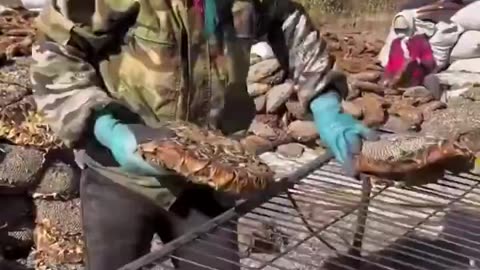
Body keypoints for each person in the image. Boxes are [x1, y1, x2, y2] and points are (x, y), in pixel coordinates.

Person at [30, 0, 377, 269]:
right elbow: (57, 49)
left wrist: (325, 103)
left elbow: (287, 21)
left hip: (209, 175)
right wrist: (106, 127)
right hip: (120, 177)